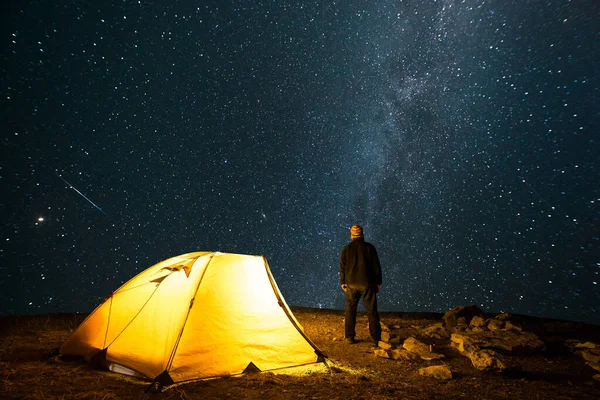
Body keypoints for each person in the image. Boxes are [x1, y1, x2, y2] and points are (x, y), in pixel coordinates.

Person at [340, 224, 382, 345]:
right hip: (367, 284)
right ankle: (375, 338)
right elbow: (376, 266)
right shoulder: (370, 248)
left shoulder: (346, 249)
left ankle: (349, 336)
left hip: (351, 284)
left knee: (350, 311)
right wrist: (378, 282)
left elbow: (342, 267)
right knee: (372, 311)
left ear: (351, 235)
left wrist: (343, 281)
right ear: (363, 234)